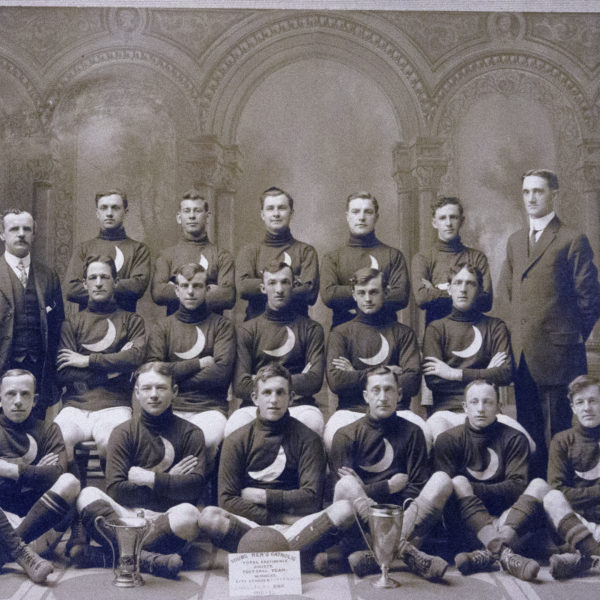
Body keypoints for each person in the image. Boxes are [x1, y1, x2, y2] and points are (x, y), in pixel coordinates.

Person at [198, 364, 354, 570]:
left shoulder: (308, 439)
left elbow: (312, 499)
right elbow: (226, 501)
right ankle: (301, 558)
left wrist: (262, 497)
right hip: (252, 524)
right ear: (255, 398)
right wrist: (280, 516)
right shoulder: (237, 439)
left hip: (297, 525)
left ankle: (257, 558)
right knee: (209, 517)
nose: (273, 400)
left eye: (280, 393)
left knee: (345, 510)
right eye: (267, 392)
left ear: (291, 398)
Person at [498, 169, 600, 477]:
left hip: (561, 354)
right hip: (524, 356)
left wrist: (567, 336)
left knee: (560, 432)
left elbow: (590, 298)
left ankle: (561, 498)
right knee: (528, 433)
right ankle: (536, 498)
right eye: (527, 191)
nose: (531, 198)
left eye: (538, 191)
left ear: (553, 194)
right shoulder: (515, 241)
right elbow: (508, 294)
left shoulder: (572, 239)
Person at [72, 362, 207, 579]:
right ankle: (150, 560)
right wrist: (170, 481)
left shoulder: (192, 433)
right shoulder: (122, 432)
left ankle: (109, 556)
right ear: (136, 392)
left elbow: (193, 489)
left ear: (174, 391)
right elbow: (116, 490)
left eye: (161, 388)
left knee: (190, 516)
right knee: (86, 495)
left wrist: (151, 478)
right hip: (127, 516)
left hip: (166, 518)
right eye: (146, 388)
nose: (153, 395)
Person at [327, 366, 451, 580]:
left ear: (399, 394)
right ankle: (404, 551)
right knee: (347, 484)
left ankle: (377, 555)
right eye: (376, 390)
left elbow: (416, 488)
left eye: (388, 390)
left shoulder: (413, 433)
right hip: (361, 527)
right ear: (366, 396)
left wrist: (366, 490)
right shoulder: (346, 435)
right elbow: (339, 496)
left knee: (442, 480)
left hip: (403, 520)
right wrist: (387, 486)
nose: (383, 397)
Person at [433, 380, 547, 582]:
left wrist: (472, 489)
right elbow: (447, 497)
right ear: (464, 407)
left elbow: (518, 487)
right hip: (468, 527)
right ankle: (503, 553)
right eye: (474, 402)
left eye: (487, 402)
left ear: (498, 406)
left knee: (540, 486)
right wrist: (468, 490)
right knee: (457, 482)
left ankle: (487, 555)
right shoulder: (447, 440)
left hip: (508, 522)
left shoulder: (514, 438)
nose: (480, 408)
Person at [55, 255, 146, 464]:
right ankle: (76, 494)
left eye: (104, 277)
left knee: (111, 442)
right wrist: (115, 369)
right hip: (74, 407)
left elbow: (135, 358)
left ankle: (112, 496)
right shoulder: (71, 323)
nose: (98, 283)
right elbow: (64, 373)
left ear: (115, 282)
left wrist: (88, 361)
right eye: (92, 277)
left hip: (114, 407)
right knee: (58, 441)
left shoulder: (132, 321)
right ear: (85, 284)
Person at [147, 262, 235, 465]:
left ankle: (201, 496)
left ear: (207, 289)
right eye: (185, 286)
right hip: (170, 408)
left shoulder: (222, 326)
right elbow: (153, 372)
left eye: (197, 286)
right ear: (176, 290)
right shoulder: (163, 327)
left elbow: (221, 374)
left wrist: (171, 378)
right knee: (156, 446)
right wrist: (198, 364)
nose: (190, 292)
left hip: (210, 408)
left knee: (204, 441)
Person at [0, 369, 80, 584]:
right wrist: (37, 471)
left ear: (35, 400)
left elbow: (56, 474)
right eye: (10, 394)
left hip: (40, 530)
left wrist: (9, 470)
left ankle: (10, 552)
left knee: (70, 481)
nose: (18, 401)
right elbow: (45, 475)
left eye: (25, 394)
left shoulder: (49, 429)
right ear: (0, 399)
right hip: (3, 522)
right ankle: (20, 553)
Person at [228, 260, 325, 436]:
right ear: (263, 288)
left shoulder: (311, 329)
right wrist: (296, 379)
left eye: (285, 282)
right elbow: (241, 386)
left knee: (312, 424)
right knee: (234, 427)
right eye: (272, 283)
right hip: (255, 406)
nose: (279, 289)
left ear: (294, 285)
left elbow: (314, 381)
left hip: (299, 405)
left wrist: (260, 380)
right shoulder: (246, 330)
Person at [325, 267, 420, 441]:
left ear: (387, 292)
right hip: (352, 411)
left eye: (374, 292)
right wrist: (385, 372)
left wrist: (355, 373)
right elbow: (337, 382)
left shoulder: (404, 333)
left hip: (397, 411)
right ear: (353, 294)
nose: (367, 299)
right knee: (334, 437)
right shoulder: (340, 333)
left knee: (424, 434)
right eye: (361, 293)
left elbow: (412, 382)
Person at [0, 209, 64, 420]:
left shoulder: (48, 275)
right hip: (3, 363)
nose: (21, 234)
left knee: (36, 430)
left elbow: (58, 325)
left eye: (26, 229)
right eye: (14, 229)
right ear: (2, 234)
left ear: (34, 235)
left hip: (39, 368)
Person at [422, 263, 513, 413]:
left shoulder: (495, 327)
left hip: (487, 409)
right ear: (449, 290)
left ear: (479, 291)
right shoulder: (436, 328)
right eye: (458, 283)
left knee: (520, 435)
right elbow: (434, 381)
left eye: (470, 284)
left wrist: (454, 374)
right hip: (447, 411)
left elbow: (505, 374)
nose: (463, 289)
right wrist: (485, 375)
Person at [321, 192, 409, 328]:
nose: (361, 217)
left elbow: (400, 296)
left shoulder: (393, 255)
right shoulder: (333, 258)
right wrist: (379, 291)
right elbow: (329, 296)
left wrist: (346, 294)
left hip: (387, 331)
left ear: (376, 217)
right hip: (344, 336)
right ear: (347, 217)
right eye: (355, 212)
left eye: (368, 212)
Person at [543, 375, 600, 579]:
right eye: (580, 402)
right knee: (551, 498)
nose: (587, 408)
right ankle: (593, 552)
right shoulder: (562, 441)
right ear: (573, 408)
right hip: (578, 522)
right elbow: (559, 491)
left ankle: (585, 558)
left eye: (593, 400)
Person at [236, 187, 319, 321]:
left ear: (291, 213)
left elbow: (309, 293)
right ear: (262, 214)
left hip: (298, 327)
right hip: (257, 330)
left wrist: (261, 284)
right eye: (270, 208)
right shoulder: (249, 251)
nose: (276, 214)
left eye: (281, 208)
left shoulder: (305, 251)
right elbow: (243, 288)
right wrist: (293, 283)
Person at [64, 189, 151, 312]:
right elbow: (71, 289)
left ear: (125, 212)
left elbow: (136, 287)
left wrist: (96, 289)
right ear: (97, 213)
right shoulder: (83, 249)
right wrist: (117, 288)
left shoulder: (138, 249)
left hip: (125, 325)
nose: (109, 213)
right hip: (87, 325)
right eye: (104, 208)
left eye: (115, 208)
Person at [151, 189, 235, 316]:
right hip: (176, 330)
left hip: (213, 330)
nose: (192, 216)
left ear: (207, 217)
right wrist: (209, 287)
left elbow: (228, 297)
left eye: (197, 210)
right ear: (179, 218)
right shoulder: (166, 255)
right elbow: (158, 293)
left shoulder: (222, 256)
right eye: (187, 211)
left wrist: (176, 287)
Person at [412, 197, 492, 326]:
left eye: (453, 217)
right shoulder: (423, 258)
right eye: (442, 218)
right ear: (434, 223)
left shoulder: (477, 258)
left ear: (462, 221)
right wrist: (467, 292)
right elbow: (422, 298)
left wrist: (436, 290)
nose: (448, 223)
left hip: (472, 330)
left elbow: (486, 301)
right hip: (437, 334)